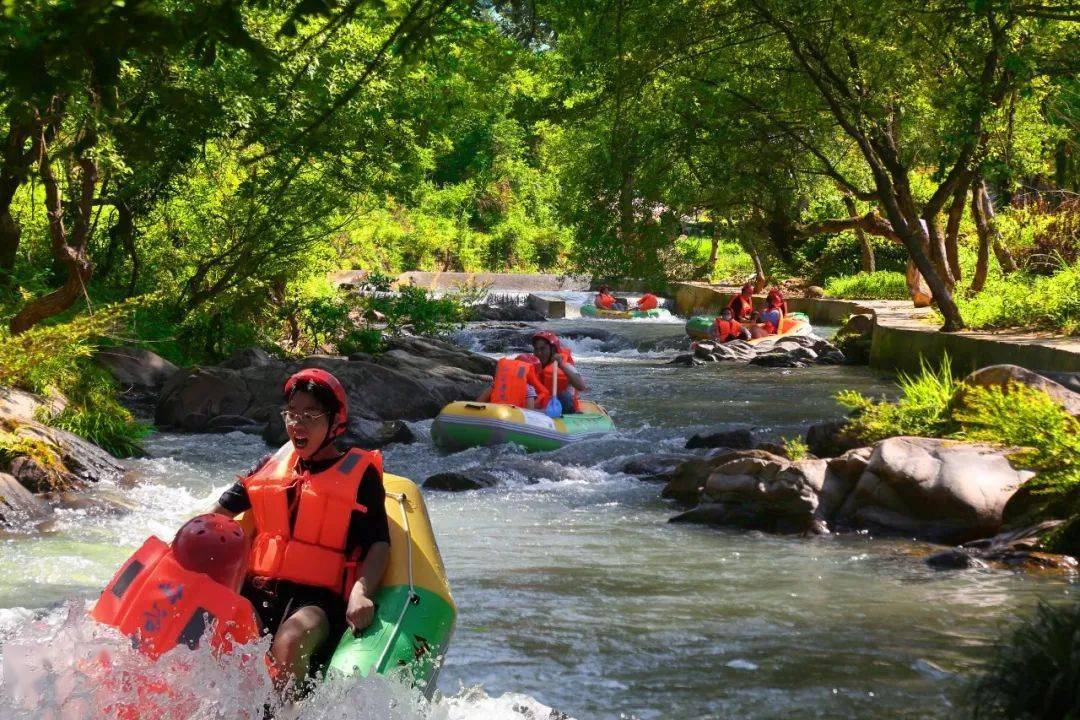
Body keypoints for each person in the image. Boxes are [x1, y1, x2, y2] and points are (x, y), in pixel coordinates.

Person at [210, 369, 390, 699]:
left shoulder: (360, 477)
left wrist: (362, 592)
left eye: (310, 414)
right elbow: (216, 518)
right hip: (259, 589)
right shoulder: (267, 467)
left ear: (334, 421)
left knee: (291, 639)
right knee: (219, 630)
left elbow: (378, 542)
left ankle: (287, 711)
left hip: (317, 601)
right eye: (292, 414)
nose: (298, 424)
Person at [531, 330, 586, 413]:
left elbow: (581, 386)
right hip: (540, 408)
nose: (539, 353)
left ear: (553, 350)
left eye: (543, 349)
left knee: (564, 396)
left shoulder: (565, 366)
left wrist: (561, 365)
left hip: (561, 408)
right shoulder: (531, 366)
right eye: (536, 349)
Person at [475, 354, 551, 410]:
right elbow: (529, 412)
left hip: (494, 413)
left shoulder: (498, 383)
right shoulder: (529, 389)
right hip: (514, 418)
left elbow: (479, 402)